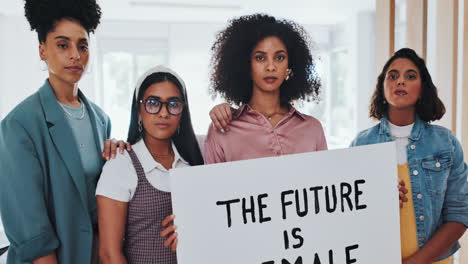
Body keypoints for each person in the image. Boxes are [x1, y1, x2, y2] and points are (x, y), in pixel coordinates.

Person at [0, 1, 126, 263]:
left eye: (82, 45)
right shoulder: (20, 124)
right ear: (42, 50)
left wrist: (120, 159)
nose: (75, 55)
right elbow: (29, 225)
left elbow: (102, 201)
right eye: (62, 45)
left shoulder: (101, 120)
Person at [350, 48, 468, 264]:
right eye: (392, 76)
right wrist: (376, 201)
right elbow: (350, 214)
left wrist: (416, 262)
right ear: (382, 87)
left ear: (422, 89)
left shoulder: (446, 143)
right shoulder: (361, 144)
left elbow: (459, 214)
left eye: (410, 76)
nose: (400, 81)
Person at [96, 66, 204, 264]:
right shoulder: (121, 164)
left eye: (173, 104)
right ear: (138, 111)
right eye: (153, 103)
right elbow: (109, 254)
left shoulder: (196, 160)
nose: (163, 113)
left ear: (182, 112)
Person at [205, 13, 326, 164]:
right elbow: (214, 186)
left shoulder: (312, 129)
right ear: (246, 65)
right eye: (260, 58)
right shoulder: (222, 129)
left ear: (290, 65)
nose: (271, 67)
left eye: (279, 57)